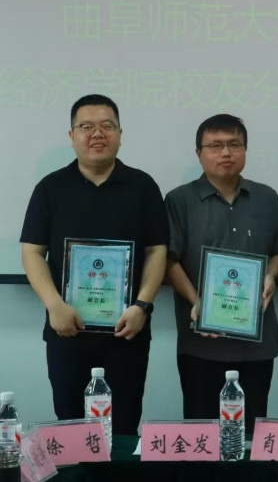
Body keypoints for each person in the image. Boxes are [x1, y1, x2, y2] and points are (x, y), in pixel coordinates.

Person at [21, 94, 168, 437]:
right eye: (86, 126)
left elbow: (157, 251)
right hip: (68, 329)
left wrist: (142, 305)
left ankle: (119, 476)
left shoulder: (143, 187)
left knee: (124, 425)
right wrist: (54, 305)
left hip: (126, 329)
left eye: (107, 126)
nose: (97, 134)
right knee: (71, 426)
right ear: (71, 135)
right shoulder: (50, 188)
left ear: (120, 134)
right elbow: (32, 252)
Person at [164, 114, 278, 434]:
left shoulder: (266, 197)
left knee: (250, 435)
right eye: (215, 146)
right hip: (201, 343)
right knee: (201, 435)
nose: (226, 153)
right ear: (199, 153)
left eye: (234, 144)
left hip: (257, 342)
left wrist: (271, 275)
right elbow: (168, 261)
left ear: (245, 150)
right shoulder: (179, 200)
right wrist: (198, 301)